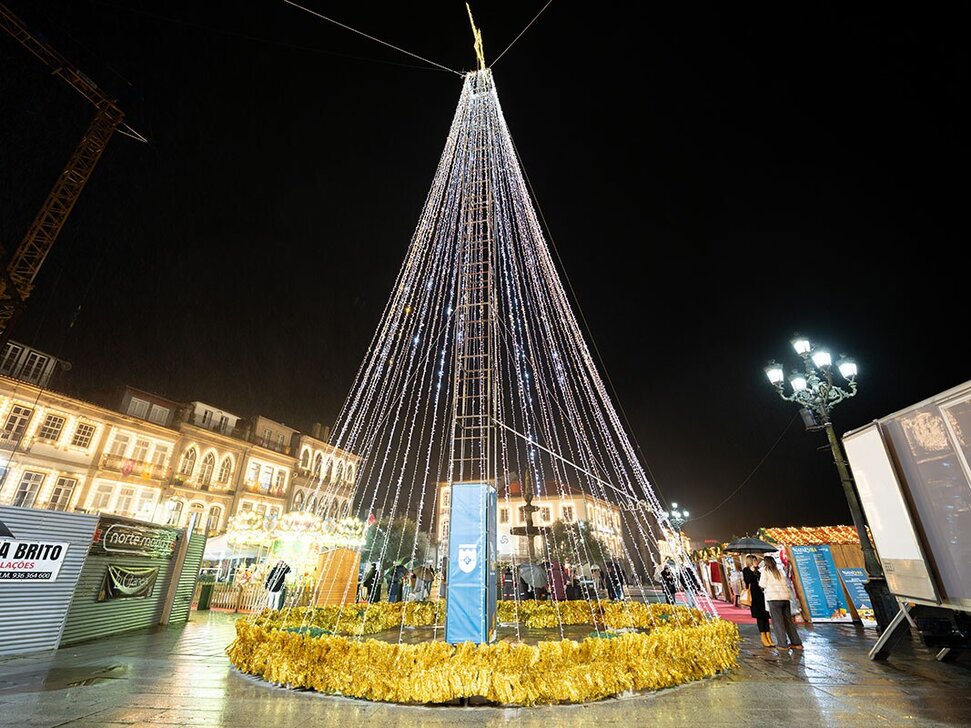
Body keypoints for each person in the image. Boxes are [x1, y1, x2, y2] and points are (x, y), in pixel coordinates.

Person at [759, 555, 803, 650]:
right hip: (785, 598)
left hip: (774, 599)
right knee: (788, 622)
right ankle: (796, 643)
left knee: (778, 622)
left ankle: (783, 644)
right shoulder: (779, 571)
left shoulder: (765, 571)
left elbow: (762, 584)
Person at [743, 554, 774, 647]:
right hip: (754, 596)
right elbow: (747, 581)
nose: (756, 562)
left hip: (762, 594)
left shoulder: (759, 570)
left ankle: (768, 635)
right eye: (754, 560)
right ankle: (763, 636)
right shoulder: (746, 570)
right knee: (759, 616)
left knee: (766, 615)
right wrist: (752, 572)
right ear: (750, 561)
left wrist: (758, 572)